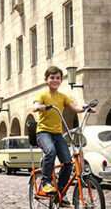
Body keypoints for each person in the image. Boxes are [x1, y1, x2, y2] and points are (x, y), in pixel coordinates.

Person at [33, 66, 95, 200]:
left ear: (61, 80)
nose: (55, 80)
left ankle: (60, 193)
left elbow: (75, 107)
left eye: (58, 78)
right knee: (51, 151)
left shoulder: (63, 97)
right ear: (46, 80)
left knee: (68, 163)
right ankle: (46, 182)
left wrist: (85, 108)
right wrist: (41, 107)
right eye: (52, 77)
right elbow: (35, 106)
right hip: (43, 132)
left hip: (57, 134)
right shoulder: (42, 95)